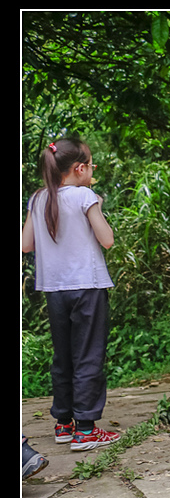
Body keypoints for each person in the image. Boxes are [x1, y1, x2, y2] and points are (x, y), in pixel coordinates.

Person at [21, 138, 121, 451]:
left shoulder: (38, 198)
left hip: (54, 290)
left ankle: (64, 423)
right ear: (79, 169)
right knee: (89, 355)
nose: (93, 171)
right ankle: (87, 429)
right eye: (91, 166)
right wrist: (98, 208)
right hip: (87, 287)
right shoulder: (84, 195)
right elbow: (107, 240)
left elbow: (26, 245)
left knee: (63, 358)